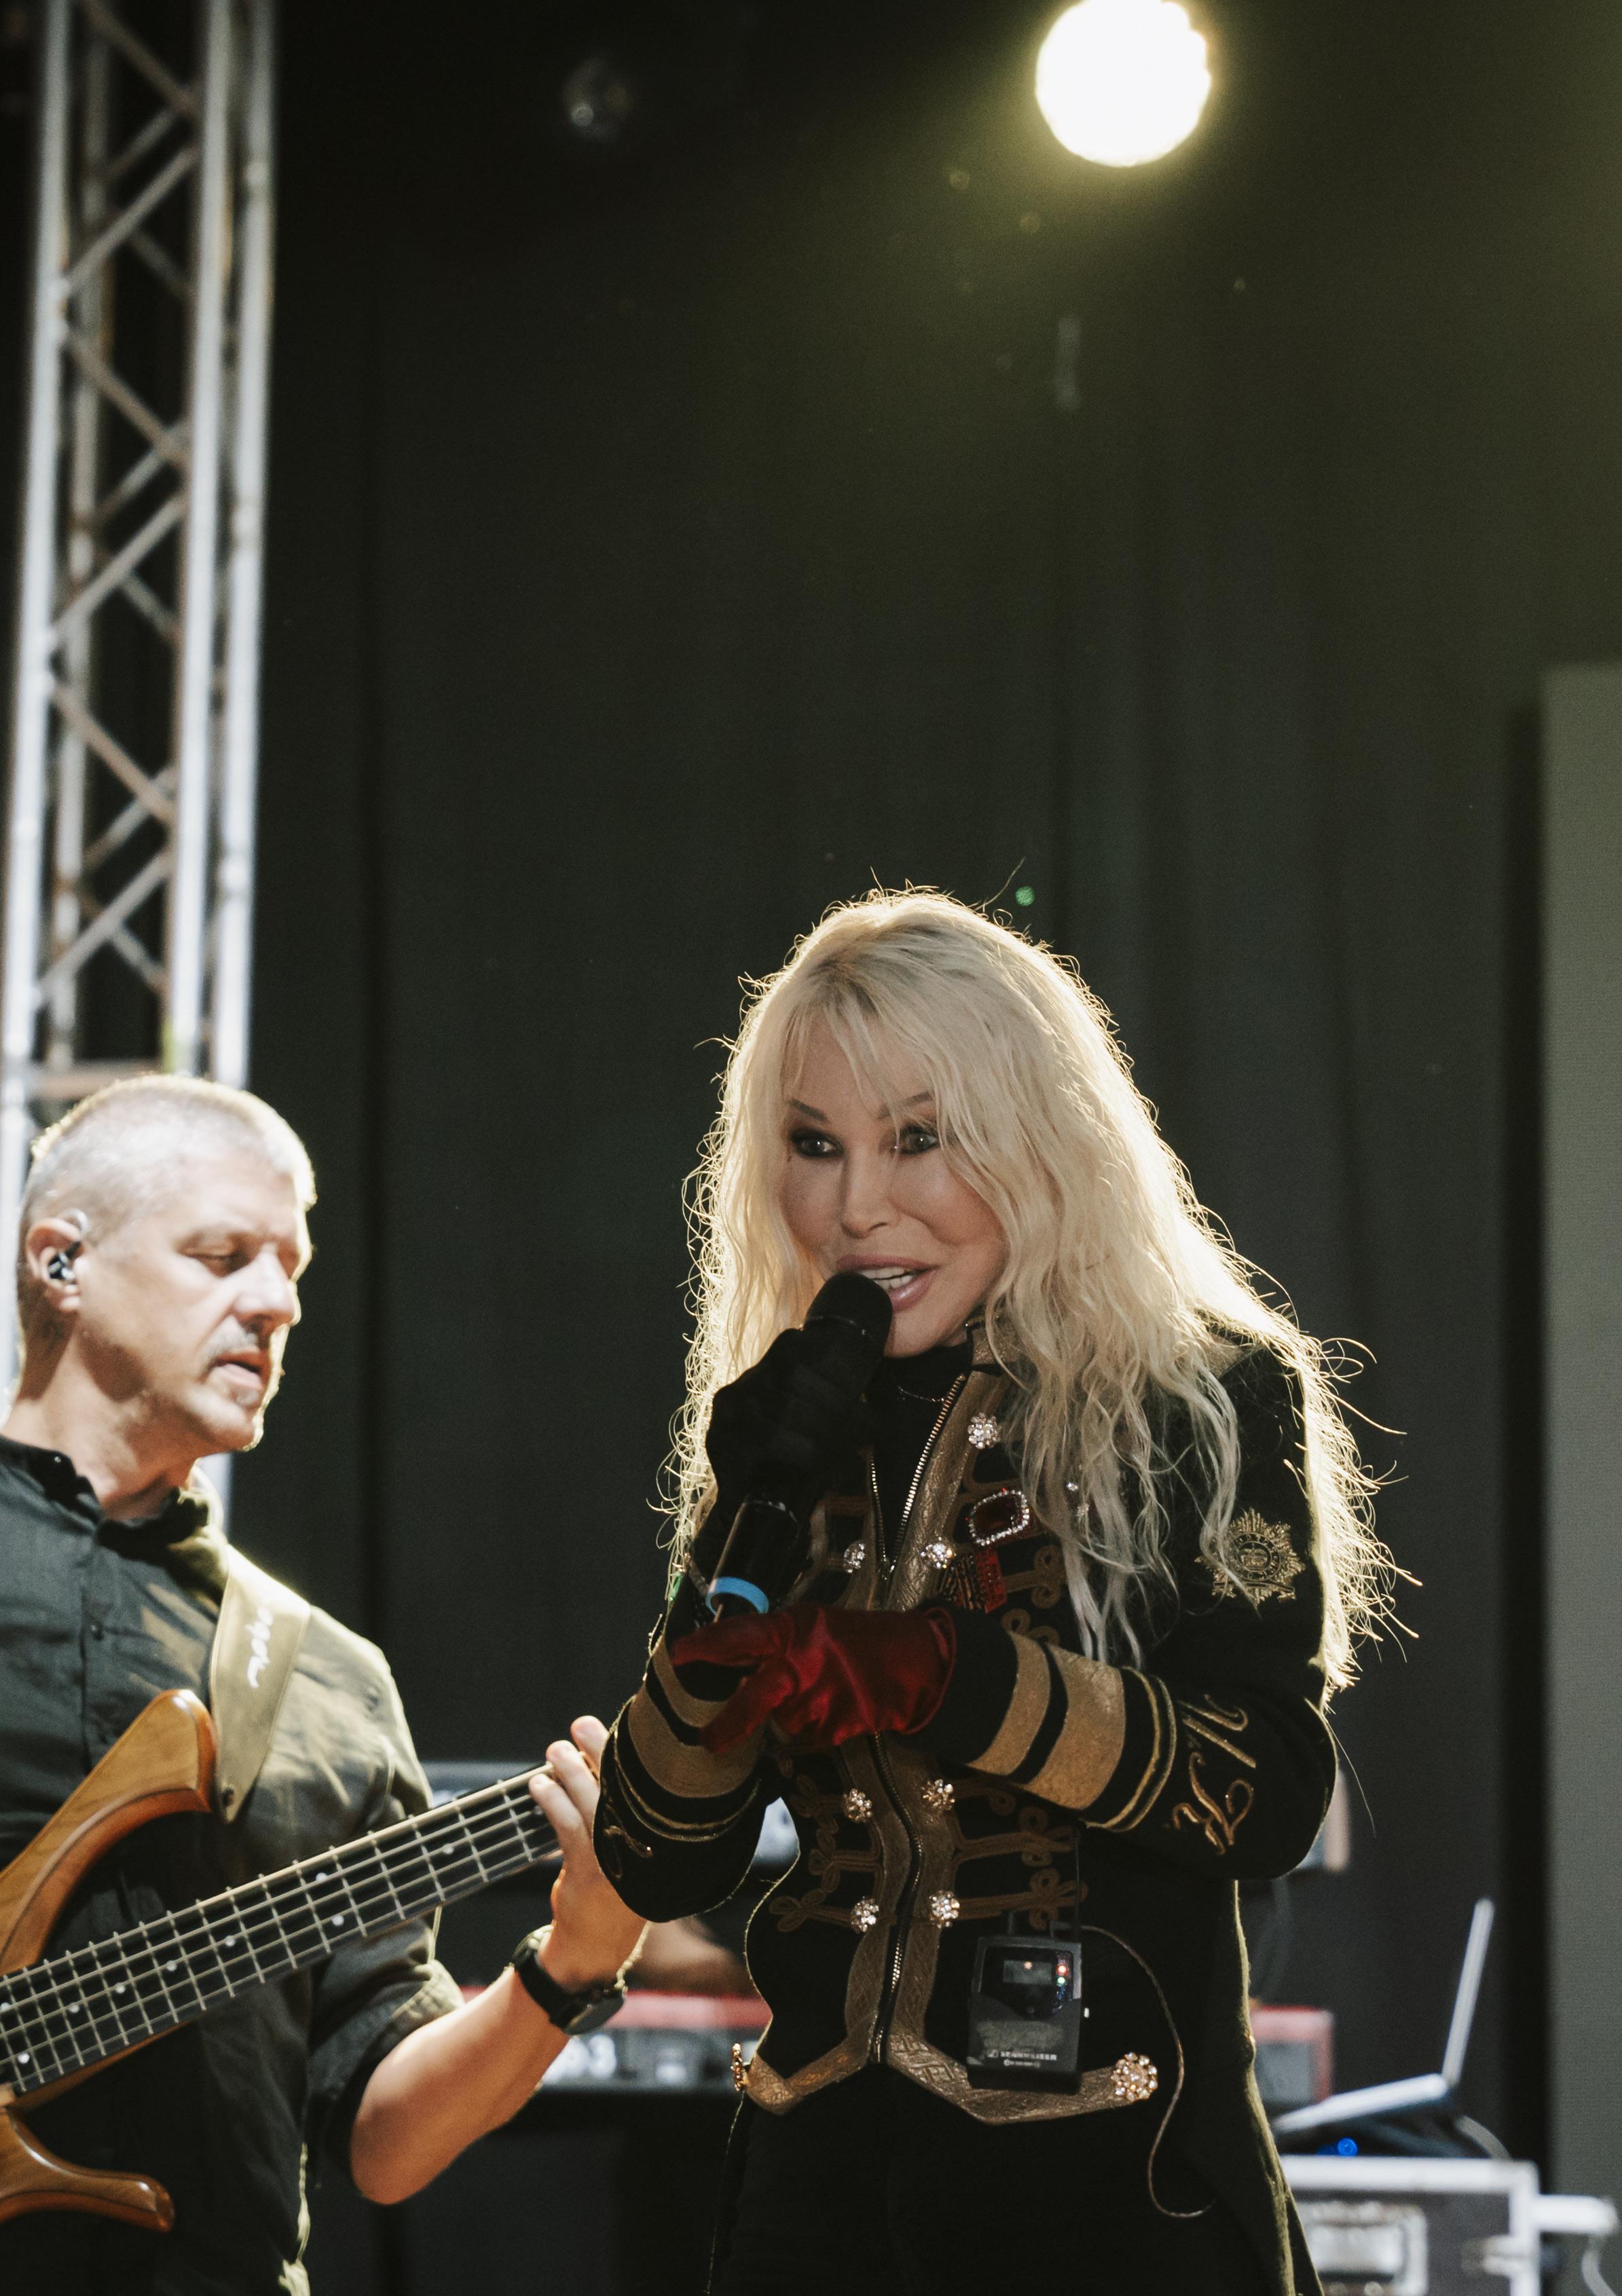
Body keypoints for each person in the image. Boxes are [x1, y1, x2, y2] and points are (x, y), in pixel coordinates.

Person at [593, 891, 1390, 2296]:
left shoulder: (1201, 1398)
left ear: (1040, 1137)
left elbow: (1266, 1786)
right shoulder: (786, 1427)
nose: (857, 1204)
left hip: (1113, 2194)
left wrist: (955, 1677)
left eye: (919, 1136)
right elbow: (658, 1859)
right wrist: (727, 1581)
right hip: (812, 2199)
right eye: (814, 1144)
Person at [0, 1076, 646, 2295]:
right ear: (61, 1261)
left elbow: (383, 2141)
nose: (278, 1301)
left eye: (291, 1267)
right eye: (223, 1254)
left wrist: (576, 1957)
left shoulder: (323, 1680)